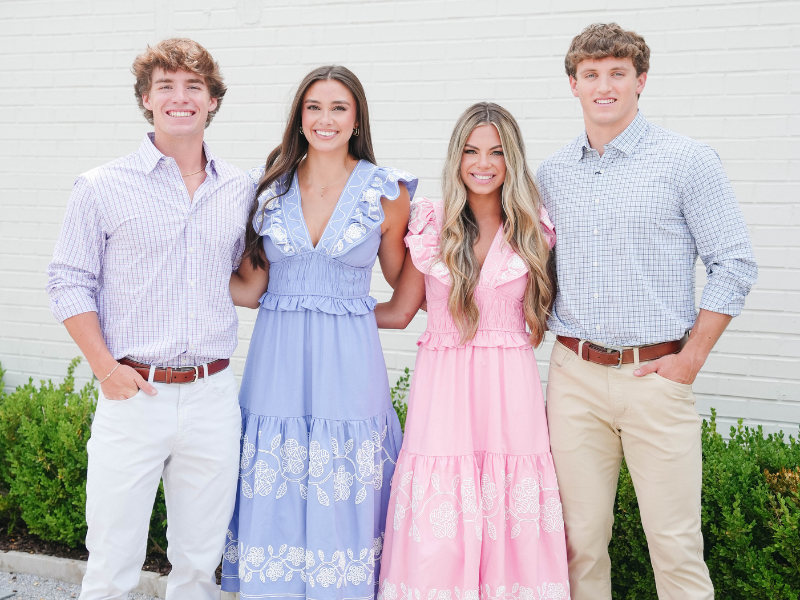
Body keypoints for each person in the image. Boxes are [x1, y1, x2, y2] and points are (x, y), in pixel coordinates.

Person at [536, 23, 758, 600]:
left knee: (675, 545)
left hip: (656, 376)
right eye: (591, 75)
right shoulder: (552, 174)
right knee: (579, 544)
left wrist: (692, 359)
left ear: (640, 80)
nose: (603, 85)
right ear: (573, 84)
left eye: (617, 73)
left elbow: (733, 263)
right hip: (573, 377)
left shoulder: (686, 160)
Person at [45, 39, 253, 599]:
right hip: (133, 392)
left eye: (193, 87)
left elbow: (251, 282)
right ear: (145, 99)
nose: (179, 98)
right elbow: (67, 281)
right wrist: (106, 369)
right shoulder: (101, 186)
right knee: (112, 559)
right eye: (166, 86)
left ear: (213, 101)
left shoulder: (242, 190)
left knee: (198, 562)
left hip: (212, 395)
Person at [220, 65, 416, 599]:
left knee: (343, 473)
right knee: (277, 469)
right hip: (276, 358)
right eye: (313, 107)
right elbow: (251, 289)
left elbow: (404, 296)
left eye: (338, 108)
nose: (324, 119)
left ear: (357, 119)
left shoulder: (387, 191)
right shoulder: (270, 188)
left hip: (349, 361)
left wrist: (345, 309)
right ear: (299, 117)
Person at [375, 103, 570, 600]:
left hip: (511, 390)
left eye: (496, 152)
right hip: (444, 390)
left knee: (510, 505)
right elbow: (400, 311)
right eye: (471, 150)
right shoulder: (430, 225)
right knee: (442, 512)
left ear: (513, 161)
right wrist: (317, 312)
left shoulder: (535, 229)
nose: (483, 163)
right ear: (456, 158)